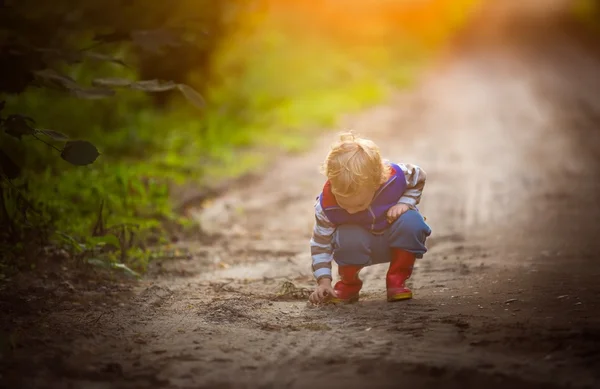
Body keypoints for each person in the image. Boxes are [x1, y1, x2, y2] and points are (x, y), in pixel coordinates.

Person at [308, 132, 431, 304]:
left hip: (393, 238)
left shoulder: (394, 176)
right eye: (344, 204)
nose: (350, 211)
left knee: (412, 221)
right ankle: (348, 284)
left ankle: (396, 280)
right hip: (357, 244)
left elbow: (419, 176)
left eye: (358, 205)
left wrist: (405, 203)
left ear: (376, 183)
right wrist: (323, 282)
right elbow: (321, 244)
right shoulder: (326, 207)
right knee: (346, 234)